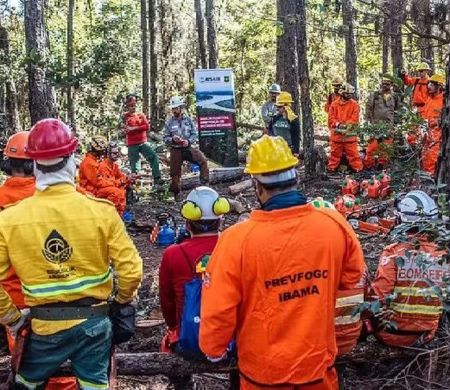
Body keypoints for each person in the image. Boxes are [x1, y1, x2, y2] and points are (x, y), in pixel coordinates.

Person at [199, 135, 366, 389]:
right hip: (318, 369)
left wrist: (214, 349)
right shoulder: (333, 225)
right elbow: (352, 278)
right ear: (296, 178)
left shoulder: (236, 240)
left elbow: (218, 308)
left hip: (263, 375)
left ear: (257, 186)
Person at [0, 118, 142, 389]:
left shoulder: (10, 219)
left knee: (25, 382)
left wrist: (14, 319)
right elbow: (131, 269)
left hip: (42, 327)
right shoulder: (101, 211)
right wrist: (121, 302)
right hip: (95, 326)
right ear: (72, 158)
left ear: (34, 163)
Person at [159, 186, 230, 388]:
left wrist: (174, 327)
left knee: (169, 344)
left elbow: (167, 302)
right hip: (232, 341)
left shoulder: (172, 254)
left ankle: (183, 385)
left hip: (190, 341)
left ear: (188, 221)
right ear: (220, 219)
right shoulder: (234, 246)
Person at [368, 191, 448, 347]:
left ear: (401, 220)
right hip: (426, 336)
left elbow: (378, 296)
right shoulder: (444, 254)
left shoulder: (393, 253)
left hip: (391, 334)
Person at [164, 96, 209, 201]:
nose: (174, 110)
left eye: (176, 108)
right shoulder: (169, 122)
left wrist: (188, 141)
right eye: (173, 108)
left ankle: (205, 185)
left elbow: (194, 134)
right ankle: (177, 193)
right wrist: (173, 139)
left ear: (180, 108)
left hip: (188, 147)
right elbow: (165, 138)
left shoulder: (188, 120)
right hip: (175, 149)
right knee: (175, 172)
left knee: (202, 160)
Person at [122, 94, 162, 186]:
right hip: (132, 143)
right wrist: (125, 130)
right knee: (135, 165)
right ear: (128, 106)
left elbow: (146, 126)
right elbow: (125, 129)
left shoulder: (141, 115)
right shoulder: (125, 116)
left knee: (153, 157)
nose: (133, 107)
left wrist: (134, 128)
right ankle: (135, 184)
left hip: (143, 142)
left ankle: (157, 178)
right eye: (131, 105)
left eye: (135, 105)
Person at [364, 75, 400, 169]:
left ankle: (382, 166)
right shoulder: (375, 95)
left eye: (387, 84)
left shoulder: (395, 96)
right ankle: (369, 166)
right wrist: (368, 121)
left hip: (389, 126)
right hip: (375, 125)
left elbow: (397, 111)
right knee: (372, 146)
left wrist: (396, 124)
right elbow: (369, 108)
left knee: (386, 147)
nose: (385, 86)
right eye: (383, 84)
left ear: (391, 84)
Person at [328, 83, 363, 172]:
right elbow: (331, 118)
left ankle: (358, 169)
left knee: (353, 154)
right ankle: (331, 169)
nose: (349, 95)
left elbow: (354, 118)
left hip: (350, 135)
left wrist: (346, 126)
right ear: (342, 93)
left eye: (351, 94)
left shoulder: (355, 104)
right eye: (347, 94)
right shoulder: (334, 104)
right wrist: (337, 124)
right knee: (334, 154)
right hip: (337, 135)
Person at [419, 74, 445, 176]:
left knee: (432, 156)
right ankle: (426, 177)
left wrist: (433, 123)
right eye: (429, 83)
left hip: (437, 133)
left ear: (439, 86)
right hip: (426, 131)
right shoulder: (429, 99)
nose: (429, 86)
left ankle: (432, 179)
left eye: (432, 84)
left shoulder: (443, 100)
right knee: (424, 155)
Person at [97, 142, 130, 216]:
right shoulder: (102, 166)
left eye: (117, 153)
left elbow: (121, 176)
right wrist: (121, 181)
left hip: (110, 188)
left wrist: (128, 179)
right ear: (108, 154)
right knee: (117, 192)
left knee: (125, 187)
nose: (117, 155)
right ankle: (111, 214)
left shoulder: (114, 165)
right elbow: (106, 183)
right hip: (100, 190)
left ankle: (120, 213)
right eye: (114, 153)